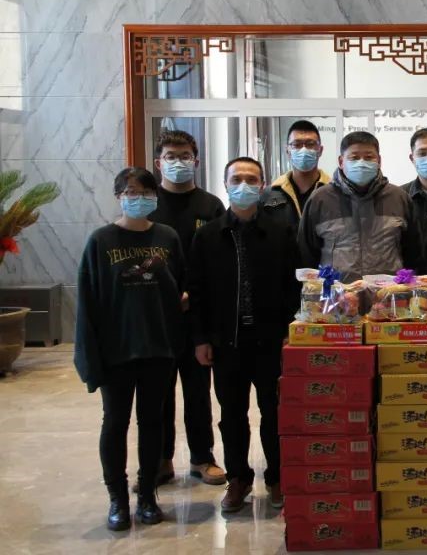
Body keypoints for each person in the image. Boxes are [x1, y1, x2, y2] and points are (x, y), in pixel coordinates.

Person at [74, 168, 186, 531]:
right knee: (115, 423)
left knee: (153, 422)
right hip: (116, 350)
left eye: (146, 192)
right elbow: (88, 301)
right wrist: (89, 356)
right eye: (131, 192)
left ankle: (148, 496)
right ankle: (117, 499)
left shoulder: (167, 237)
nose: (139, 198)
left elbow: (181, 289)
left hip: (158, 348)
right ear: (119, 195)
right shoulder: (101, 240)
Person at [189, 157, 301, 514]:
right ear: (225, 184)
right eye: (236, 179)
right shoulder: (208, 235)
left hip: (271, 341)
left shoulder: (281, 232)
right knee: (232, 415)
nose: (244, 185)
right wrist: (201, 338)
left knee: (275, 412)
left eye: (252, 179)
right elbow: (197, 291)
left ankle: (277, 477)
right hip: (227, 343)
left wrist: (290, 331)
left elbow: (293, 288)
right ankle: (238, 478)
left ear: (263, 184)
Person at [146, 130, 225, 487]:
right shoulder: (148, 205)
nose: (178, 162)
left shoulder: (211, 206)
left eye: (185, 156)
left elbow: (219, 261)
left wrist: (196, 294)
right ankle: (161, 460)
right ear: (158, 162)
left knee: (198, 391)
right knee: (158, 394)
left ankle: (202, 458)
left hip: (198, 317)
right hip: (157, 317)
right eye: (170, 156)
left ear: (196, 160)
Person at [298, 131, 420, 281]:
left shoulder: (399, 198)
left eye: (369, 157)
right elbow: (306, 255)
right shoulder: (320, 199)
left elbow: (414, 253)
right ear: (341, 162)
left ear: (379, 161)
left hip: (389, 293)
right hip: (337, 294)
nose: (361, 163)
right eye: (354, 157)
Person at [263, 120, 332, 229]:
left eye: (310, 144)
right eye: (296, 145)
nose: (304, 150)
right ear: (287, 151)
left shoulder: (335, 192)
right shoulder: (269, 195)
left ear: (320, 150)